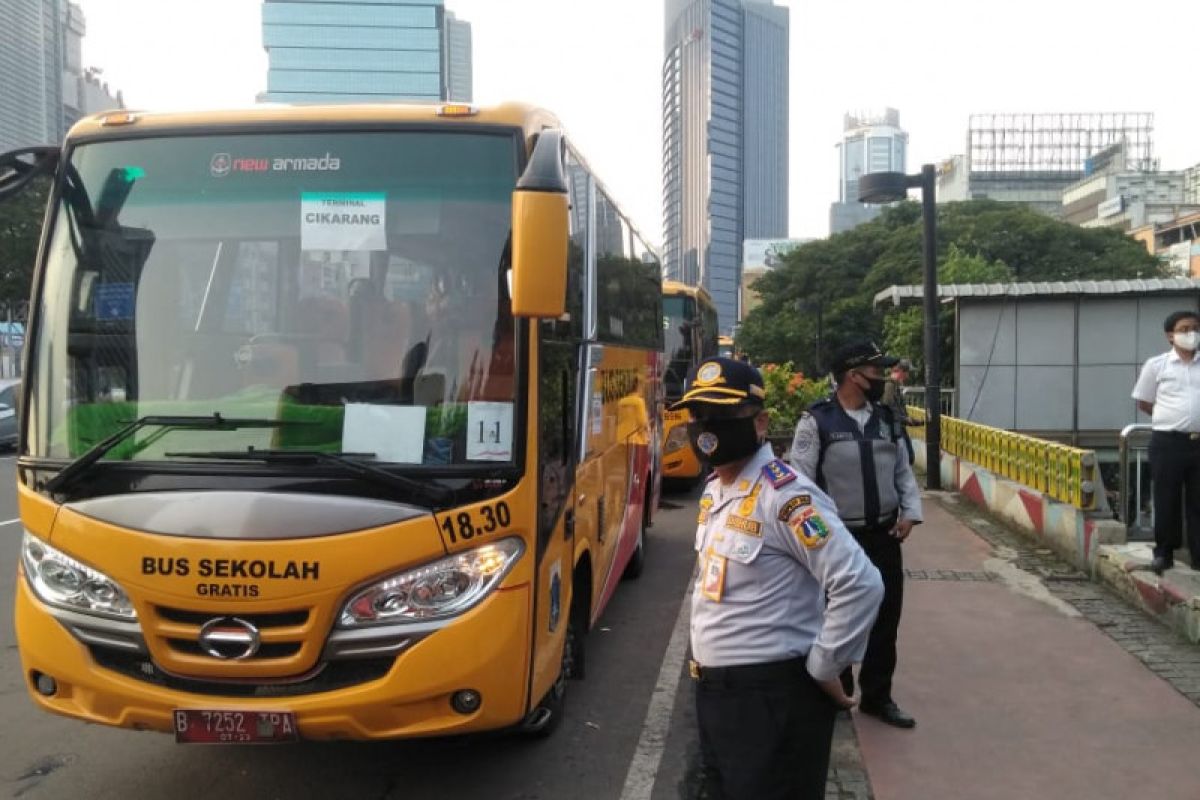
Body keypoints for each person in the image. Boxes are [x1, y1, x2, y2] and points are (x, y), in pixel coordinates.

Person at [674, 357, 883, 799]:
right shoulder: (717, 490)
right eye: (697, 414)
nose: (706, 425)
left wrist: (827, 665)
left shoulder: (786, 496)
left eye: (724, 414)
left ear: (761, 422)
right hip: (719, 698)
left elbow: (860, 583)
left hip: (772, 701)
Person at [787, 340, 923, 729]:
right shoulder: (817, 421)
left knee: (886, 617)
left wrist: (911, 514)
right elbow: (800, 482)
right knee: (836, 616)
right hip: (837, 539)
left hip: (883, 535)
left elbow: (902, 473)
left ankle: (878, 697)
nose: (881, 379)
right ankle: (837, 692)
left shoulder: (886, 419)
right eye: (876, 372)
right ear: (853, 375)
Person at [1132, 310, 1200, 575]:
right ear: (1170, 336)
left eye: (1195, 328)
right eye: (1184, 329)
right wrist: (1173, 419)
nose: (1191, 334)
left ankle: (1198, 556)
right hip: (1168, 442)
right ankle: (1164, 554)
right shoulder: (1157, 365)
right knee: (1166, 498)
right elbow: (1144, 402)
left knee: (1198, 502)